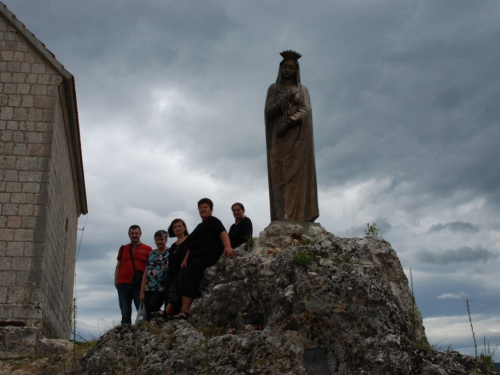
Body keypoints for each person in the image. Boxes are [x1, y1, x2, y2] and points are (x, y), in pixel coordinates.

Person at [264, 50, 319, 223]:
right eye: (285, 67)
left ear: (296, 70)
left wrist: (291, 121)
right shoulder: (273, 89)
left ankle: (296, 215)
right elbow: (268, 112)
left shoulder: (302, 90)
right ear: (280, 69)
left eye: (291, 68)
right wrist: (280, 104)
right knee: (280, 177)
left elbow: (306, 110)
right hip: (279, 139)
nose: (288, 70)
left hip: (297, 137)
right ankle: (282, 214)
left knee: (295, 177)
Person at [173, 198, 234, 320]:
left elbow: (222, 233)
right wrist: (185, 259)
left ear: (211, 210)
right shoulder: (200, 226)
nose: (203, 209)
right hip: (196, 257)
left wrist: (227, 246)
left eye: (206, 207)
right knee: (179, 278)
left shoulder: (213, 221)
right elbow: (191, 245)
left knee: (188, 275)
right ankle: (172, 310)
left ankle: (185, 310)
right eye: (201, 207)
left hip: (208, 255)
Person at [115, 225, 152, 325]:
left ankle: (142, 334)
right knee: (125, 312)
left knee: (141, 313)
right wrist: (116, 282)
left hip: (138, 285)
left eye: (136, 233)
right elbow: (118, 266)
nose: (134, 235)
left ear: (140, 234)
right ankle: (125, 334)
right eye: (132, 233)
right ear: (129, 234)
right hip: (123, 283)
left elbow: (149, 268)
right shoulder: (123, 248)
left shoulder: (148, 249)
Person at [153, 218, 190, 319]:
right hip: (171, 272)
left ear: (184, 228)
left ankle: (176, 312)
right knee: (168, 294)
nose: (177, 228)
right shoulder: (173, 245)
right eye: (175, 227)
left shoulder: (189, 239)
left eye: (179, 226)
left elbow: (191, 250)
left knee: (178, 292)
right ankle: (169, 314)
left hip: (182, 270)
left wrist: (185, 259)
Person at [140, 230, 169, 319]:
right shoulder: (151, 253)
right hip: (149, 286)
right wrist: (142, 292)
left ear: (166, 240)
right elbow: (146, 272)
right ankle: (153, 329)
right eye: (157, 240)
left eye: (161, 239)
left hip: (162, 287)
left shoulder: (170, 252)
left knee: (153, 306)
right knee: (148, 312)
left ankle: (166, 315)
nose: (159, 242)